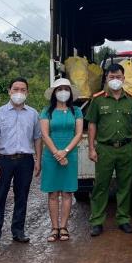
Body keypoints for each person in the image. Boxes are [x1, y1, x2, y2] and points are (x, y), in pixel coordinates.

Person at [86, 63, 132, 236]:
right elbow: (92, 124)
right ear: (106, 78)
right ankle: (97, 221)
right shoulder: (98, 99)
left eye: (118, 77)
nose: (115, 80)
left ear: (124, 78)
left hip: (126, 148)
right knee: (101, 186)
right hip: (105, 149)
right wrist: (91, 148)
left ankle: (123, 219)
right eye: (112, 77)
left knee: (125, 186)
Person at [0, 77, 42, 247]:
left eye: (23, 90)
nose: (19, 93)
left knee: (22, 197)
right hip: (3, 160)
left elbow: (38, 138)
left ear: (27, 92)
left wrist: (38, 160)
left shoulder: (33, 114)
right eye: (15, 89)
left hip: (25, 160)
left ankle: (18, 231)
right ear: (9, 91)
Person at [40, 78, 83, 242]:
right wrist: (57, 153)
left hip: (69, 154)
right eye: (59, 89)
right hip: (51, 155)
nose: (63, 92)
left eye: (66, 89)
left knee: (67, 192)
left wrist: (64, 152)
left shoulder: (76, 111)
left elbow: (78, 134)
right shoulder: (46, 111)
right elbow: (45, 134)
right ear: (54, 93)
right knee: (52, 193)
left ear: (70, 92)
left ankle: (64, 227)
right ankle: (54, 228)